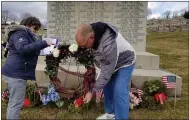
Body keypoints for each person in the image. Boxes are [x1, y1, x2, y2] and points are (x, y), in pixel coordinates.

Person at [75, 22, 136, 119]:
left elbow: (106, 74)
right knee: (107, 86)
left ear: (91, 38)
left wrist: (92, 91)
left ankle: (121, 117)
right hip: (110, 63)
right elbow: (100, 66)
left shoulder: (109, 45)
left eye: (84, 45)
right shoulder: (92, 33)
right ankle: (111, 115)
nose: (84, 48)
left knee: (119, 89)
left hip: (125, 62)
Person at [1, 16, 53, 119]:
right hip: (16, 74)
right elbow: (23, 49)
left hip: (17, 72)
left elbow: (30, 51)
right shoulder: (19, 33)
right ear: (29, 25)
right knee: (16, 103)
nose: (36, 31)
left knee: (14, 102)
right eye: (35, 28)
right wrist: (44, 43)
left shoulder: (26, 35)